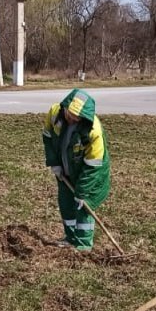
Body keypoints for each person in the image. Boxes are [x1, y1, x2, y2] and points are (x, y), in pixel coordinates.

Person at [41, 88, 110, 250]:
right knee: (66, 204)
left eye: (76, 118)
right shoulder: (54, 113)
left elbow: (93, 166)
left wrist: (82, 192)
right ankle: (71, 238)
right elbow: (47, 137)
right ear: (65, 106)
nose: (72, 119)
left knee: (83, 208)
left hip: (90, 175)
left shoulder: (93, 131)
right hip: (66, 170)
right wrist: (54, 163)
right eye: (69, 115)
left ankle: (83, 246)